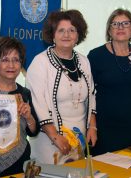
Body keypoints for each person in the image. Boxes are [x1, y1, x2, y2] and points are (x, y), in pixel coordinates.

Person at [26, 9, 97, 165]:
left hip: (79, 138)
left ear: (78, 35)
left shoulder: (84, 62)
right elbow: (38, 104)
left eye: (72, 30)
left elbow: (91, 96)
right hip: (49, 141)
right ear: (53, 35)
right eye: (61, 30)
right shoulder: (40, 63)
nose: (67, 35)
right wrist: (55, 136)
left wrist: (92, 127)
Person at [87, 8, 131, 155]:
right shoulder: (96, 56)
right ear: (109, 30)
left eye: (125, 23)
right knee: (105, 173)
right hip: (104, 128)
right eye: (115, 24)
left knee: (130, 170)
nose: (120, 27)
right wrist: (92, 127)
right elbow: (89, 95)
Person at [0, 37, 38, 178]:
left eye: (16, 60)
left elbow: (34, 131)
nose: (11, 65)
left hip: (19, 161)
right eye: (5, 60)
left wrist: (29, 116)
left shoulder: (24, 93)